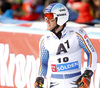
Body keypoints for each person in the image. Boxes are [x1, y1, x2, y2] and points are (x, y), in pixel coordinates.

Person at [34, 3, 97, 88]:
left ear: (60, 18)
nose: (46, 20)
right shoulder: (45, 40)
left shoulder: (77, 33)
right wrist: (39, 78)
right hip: (55, 84)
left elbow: (91, 52)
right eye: (45, 16)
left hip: (76, 83)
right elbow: (43, 63)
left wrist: (88, 74)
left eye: (50, 17)